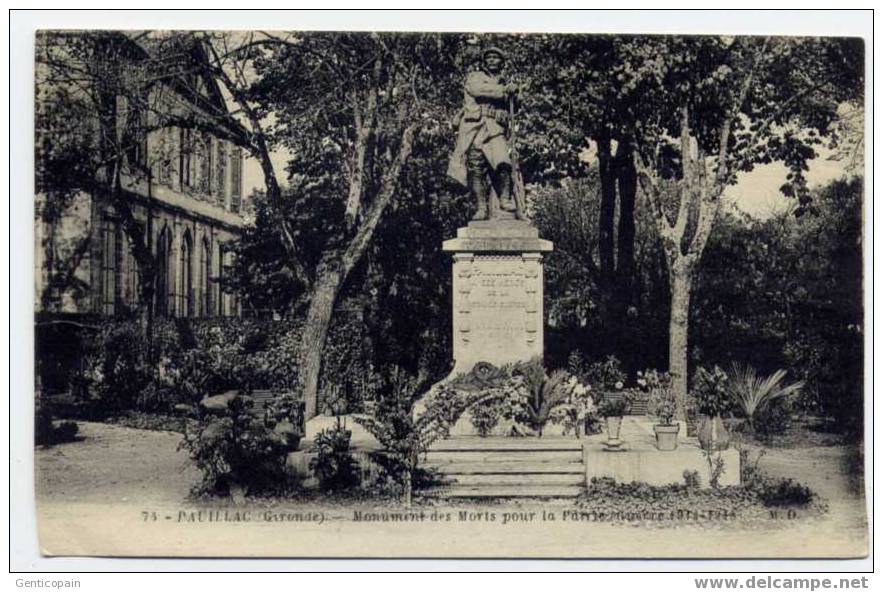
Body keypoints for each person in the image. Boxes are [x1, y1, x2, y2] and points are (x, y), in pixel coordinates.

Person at [447, 46, 519, 220]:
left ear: (501, 62)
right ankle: (481, 207)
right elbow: (478, 90)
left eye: (496, 57)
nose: (492, 60)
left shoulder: (505, 81)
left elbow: (515, 107)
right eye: (489, 57)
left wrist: (514, 93)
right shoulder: (475, 77)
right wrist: (504, 91)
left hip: (495, 127)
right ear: (484, 62)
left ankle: (505, 199)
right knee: (476, 168)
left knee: (503, 162)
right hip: (475, 128)